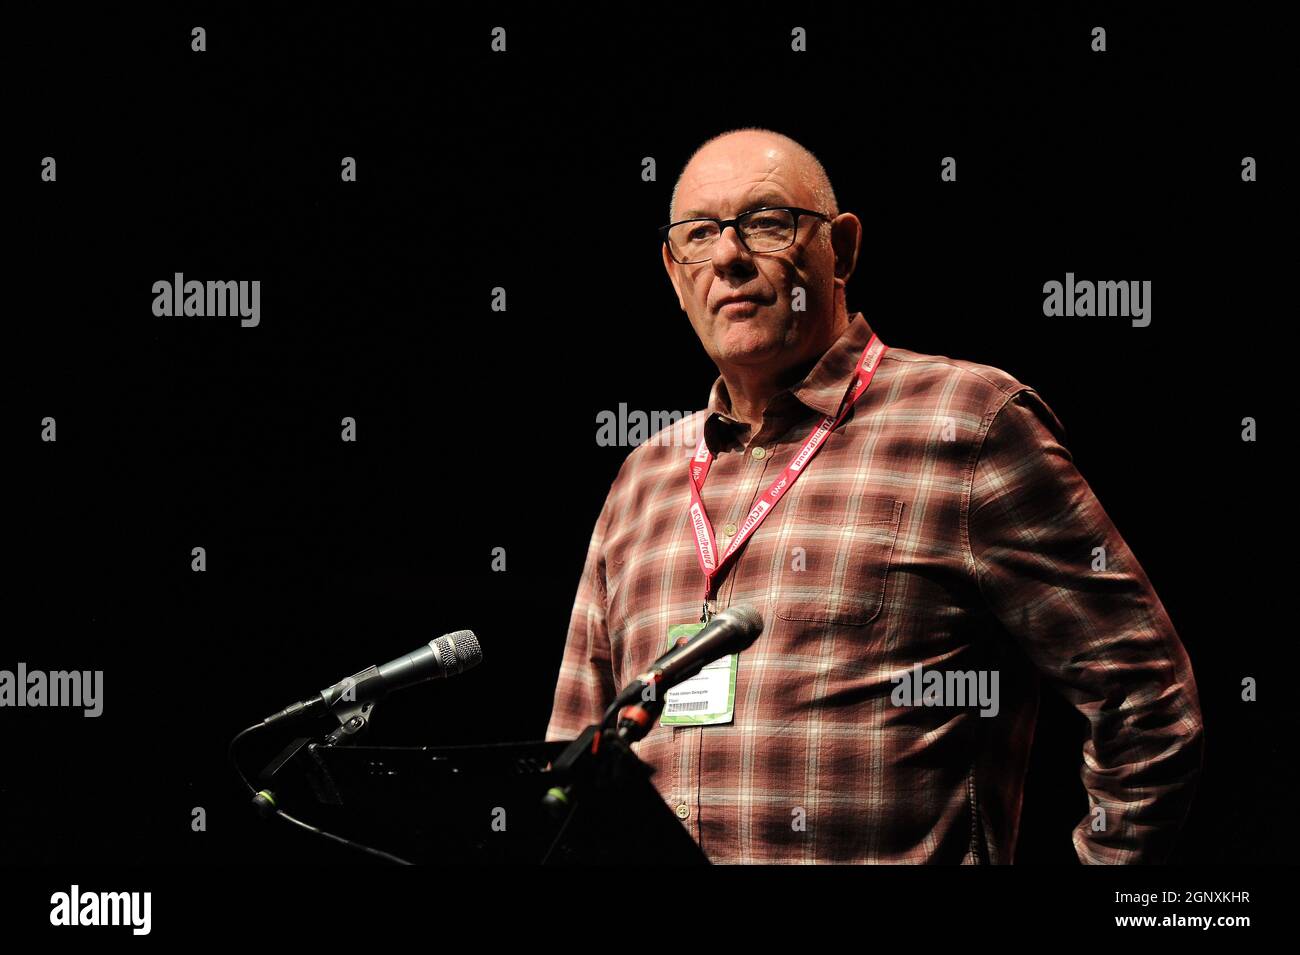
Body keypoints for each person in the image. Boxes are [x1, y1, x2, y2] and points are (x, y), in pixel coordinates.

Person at [545, 127, 1203, 863]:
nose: (728, 257)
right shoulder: (644, 477)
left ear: (843, 250)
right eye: (699, 234)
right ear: (674, 273)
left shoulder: (970, 421)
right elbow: (572, 761)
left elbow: (1147, 699)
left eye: (765, 222)